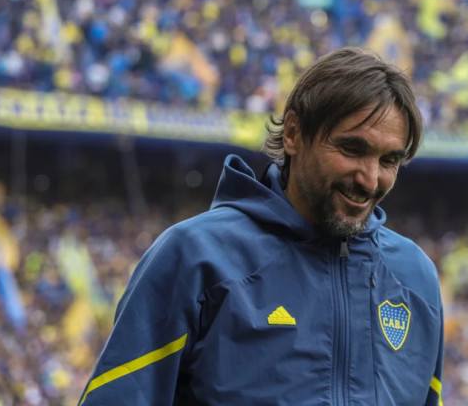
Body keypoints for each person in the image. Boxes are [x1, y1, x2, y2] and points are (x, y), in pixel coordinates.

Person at [79, 47, 444, 405]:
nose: (369, 179)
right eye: (352, 149)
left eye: (389, 161)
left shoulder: (416, 279)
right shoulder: (195, 257)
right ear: (293, 133)